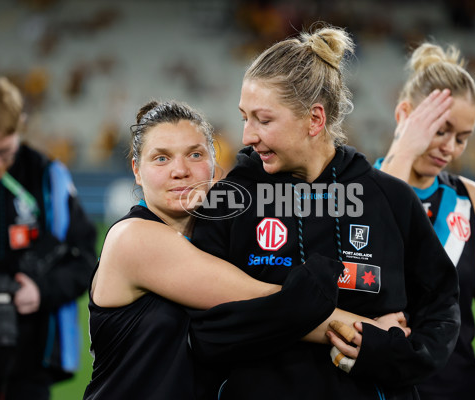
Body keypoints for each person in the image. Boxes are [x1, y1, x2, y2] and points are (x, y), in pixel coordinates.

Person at [191, 24, 460, 400]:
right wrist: (339, 322)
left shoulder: (390, 198)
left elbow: (441, 306)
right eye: (244, 118)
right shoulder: (229, 201)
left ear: (315, 120)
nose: (248, 136)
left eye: (263, 120)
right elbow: (204, 331)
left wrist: (392, 354)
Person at [83, 100, 371, 400]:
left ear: (213, 162)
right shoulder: (133, 239)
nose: (180, 170)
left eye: (195, 154)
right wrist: (372, 330)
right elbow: (272, 303)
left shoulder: (222, 239)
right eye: (161, 158)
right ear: (137, 171)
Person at [376, 43, 475, 399]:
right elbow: (384, 236)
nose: (450, 147)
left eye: (462, 138)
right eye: (440, 129)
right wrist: (403, 153)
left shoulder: (470, 199)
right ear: (404, 114)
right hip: (382, 390)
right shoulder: (357, 188)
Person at [0, 75, 96, 400]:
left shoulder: (47, 177)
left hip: (31, 364)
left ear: (20, 128)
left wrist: (41, 291)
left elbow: (84, 259)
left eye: (4, 152)